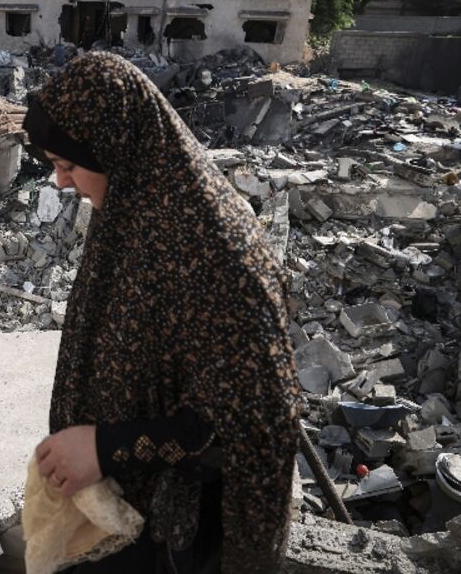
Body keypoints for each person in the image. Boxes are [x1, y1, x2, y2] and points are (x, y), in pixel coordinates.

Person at [25, 53, 299, 573]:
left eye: (67, 165)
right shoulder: (134, 205)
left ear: (114, 149)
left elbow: (247, 419)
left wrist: (106, 448)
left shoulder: (214, 251)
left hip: (178, 536)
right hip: (126, 508)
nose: (60, 183)